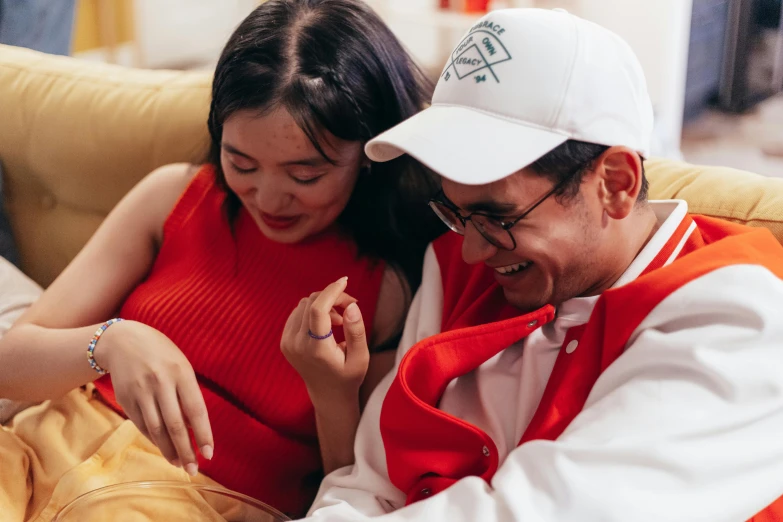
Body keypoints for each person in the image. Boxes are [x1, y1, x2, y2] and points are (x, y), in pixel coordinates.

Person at [286, 8, 783, 522]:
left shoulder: (740, 319)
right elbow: (371, 484)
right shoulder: (458, 266)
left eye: (498, 216)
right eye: (457, 211)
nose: (473, 251)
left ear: (615, 183)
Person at [0, 0, 444, 519]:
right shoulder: (174, 195)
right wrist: (112, 341)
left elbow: (356, 494)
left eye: (305, 176)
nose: (270, 199)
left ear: (370, 155)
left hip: (191, 503)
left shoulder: (388, 289)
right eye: (242, 162)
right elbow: (11, 364)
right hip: (34, 451)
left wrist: (333, 395)